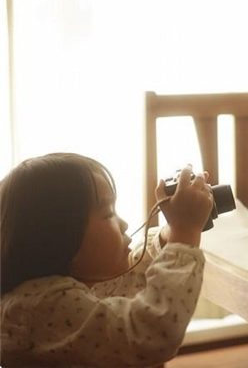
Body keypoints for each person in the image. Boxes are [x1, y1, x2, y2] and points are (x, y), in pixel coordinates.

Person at [0, 153, 214, 367]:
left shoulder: (69, 283)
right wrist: (184, 233)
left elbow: (133, 278)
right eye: (108, 213)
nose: (124, 224)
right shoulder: (42, 307)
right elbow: (151, 332)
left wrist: (168, 237)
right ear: (60, 237)